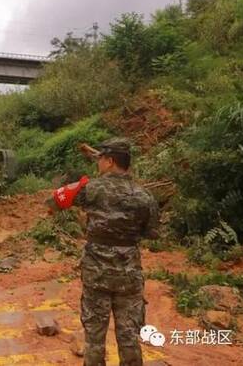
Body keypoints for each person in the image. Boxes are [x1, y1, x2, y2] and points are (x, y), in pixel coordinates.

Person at [47, 138, 159, 366]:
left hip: (96, 274)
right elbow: (153, 233)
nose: (98, 164)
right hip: (129, 275)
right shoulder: (145, 196)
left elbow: (54, 201)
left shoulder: (90, 189)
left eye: (100, 160)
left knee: (95, 337)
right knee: (129, 337)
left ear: (109, 161)